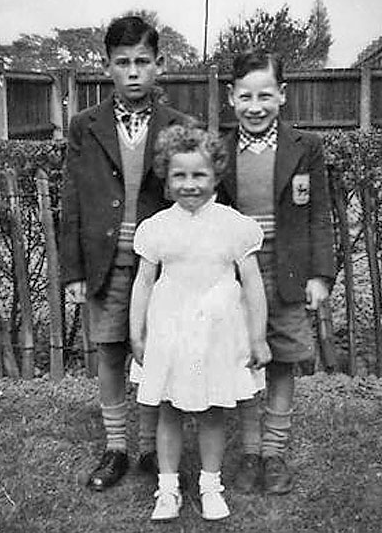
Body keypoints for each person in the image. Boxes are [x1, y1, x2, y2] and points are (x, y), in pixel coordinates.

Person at [60, 15, 188, 491]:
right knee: (112, 351)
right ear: (107, 67)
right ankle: (116, 447)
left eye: (142, 62)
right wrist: (74, 270)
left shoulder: (179, 126)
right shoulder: (85, 126)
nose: (133, 72)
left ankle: (152, 448)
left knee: (159, 351)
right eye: (122, 63)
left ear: (160, 65)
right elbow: (72, 200)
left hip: (163, 266)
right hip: (107, 261)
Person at [129, 124, 271, 521]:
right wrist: (135, 332)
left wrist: (258, 338)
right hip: (170, 331)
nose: (189, 184)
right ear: (165, 175)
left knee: (212, 410)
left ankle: (211, 486)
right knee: (169, 409)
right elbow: (143, 282)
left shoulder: (233, 226)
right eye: (179, 175)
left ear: (216, 176)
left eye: (199, 175)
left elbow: (253, 283)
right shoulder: (156, 228)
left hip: (217, 333)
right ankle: (168, 488)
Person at [218, 50, 335, 495]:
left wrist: (319, 275)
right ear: (231, 98)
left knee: (283, 361)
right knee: (245, 359)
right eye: (245, 96)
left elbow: (319, 214)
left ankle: (274, 452)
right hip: (235, 277)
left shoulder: (306, 149)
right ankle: (249, 453)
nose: (255, 106)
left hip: (286, 274)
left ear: (282, 96)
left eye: (265, 95)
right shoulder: (220, 151)